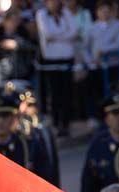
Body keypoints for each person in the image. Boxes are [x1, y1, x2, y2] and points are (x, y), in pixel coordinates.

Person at [0, 89, 53, 178]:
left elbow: (45, 180)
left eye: (5, 116)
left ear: (14, 118)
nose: (0, 121)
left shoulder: (28, 146)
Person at [36, 0, 79, 137]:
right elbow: (48, 33)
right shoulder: (41, 14)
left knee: (67, 93)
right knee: (54, 93)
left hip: (66, 58)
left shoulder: (66, 13)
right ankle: (55, 123)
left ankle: (65, 124)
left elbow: (73, 32)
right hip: (51, 60)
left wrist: (58, 36)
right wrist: (64, 35)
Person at [14, 86, 61, 187]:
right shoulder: (18, 130)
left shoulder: (44, 129)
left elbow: (52, 161)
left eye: (30, 105)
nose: (25, 108)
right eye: (22, 104)